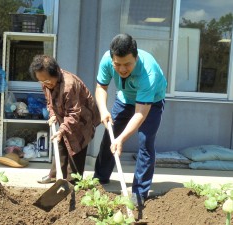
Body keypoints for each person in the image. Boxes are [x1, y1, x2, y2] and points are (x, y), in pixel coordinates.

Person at [93, 33, 167, 207]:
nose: (122, 69)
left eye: (127, 64)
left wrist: (122, 139)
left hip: (151, 102)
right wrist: (103, 110)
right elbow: (101, 87)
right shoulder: (106, 59)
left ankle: (139, 192)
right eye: (117, 64)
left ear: (136, 57)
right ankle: (100, 178)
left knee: (145, 142)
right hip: (125, 99)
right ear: (112, 59)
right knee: (109, 138)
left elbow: (140, 113)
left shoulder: (149, 72)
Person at [29, 54, 101, 185]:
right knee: (61, 143)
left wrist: (62, 129)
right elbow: (50, 101)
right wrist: (52, 114)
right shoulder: (46, 83)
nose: (45, 84)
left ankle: (72, 181)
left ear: (56, 71)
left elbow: (74, 113)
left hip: (82, 118)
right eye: (42, 82)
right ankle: (55, 176)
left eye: (47, 81)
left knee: (76, 147)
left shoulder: (69, 85)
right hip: (66, 116)